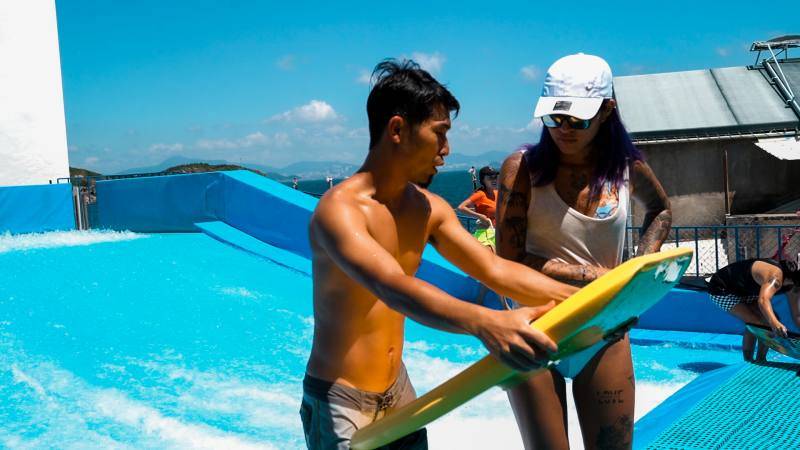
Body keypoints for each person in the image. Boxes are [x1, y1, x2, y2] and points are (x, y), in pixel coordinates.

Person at [302, 59, 577, 449]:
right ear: (397, 129)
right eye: (439, 133)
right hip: (341, 403)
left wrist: (585, 302)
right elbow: (393, 286)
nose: (446, 151)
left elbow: (494, 269)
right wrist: (485, 322)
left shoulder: (427, 208)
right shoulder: (338, 212)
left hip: (399, 392)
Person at [496, 53, 672, 450]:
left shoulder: (626, 168)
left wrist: (638, 275)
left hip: (603, 329)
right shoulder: (521, 169)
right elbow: (508, 261)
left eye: (577, 119)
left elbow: (661, 210)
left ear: (607, 110)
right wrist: (600, 278)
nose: (564, 129)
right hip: (534, 329)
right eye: (554, 118)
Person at [707, 258, 800, 361]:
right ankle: (748, 361)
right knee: (758, 322)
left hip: (746, 290)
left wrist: (774, 322)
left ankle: (761, 359)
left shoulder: (794, 286)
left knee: (769, 321)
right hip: (722, 288)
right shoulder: (776, 279)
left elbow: (797, 315)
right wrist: (774, 323)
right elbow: (763, 300)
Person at [457, 166, 499, 251]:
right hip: (484, 233)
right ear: (483, 180)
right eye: (490, 178)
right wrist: (480, 216)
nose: (494, 180)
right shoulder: (480, 194)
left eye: (495, 177)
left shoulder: (497, 193)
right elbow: (461, 207)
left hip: (496, 233)